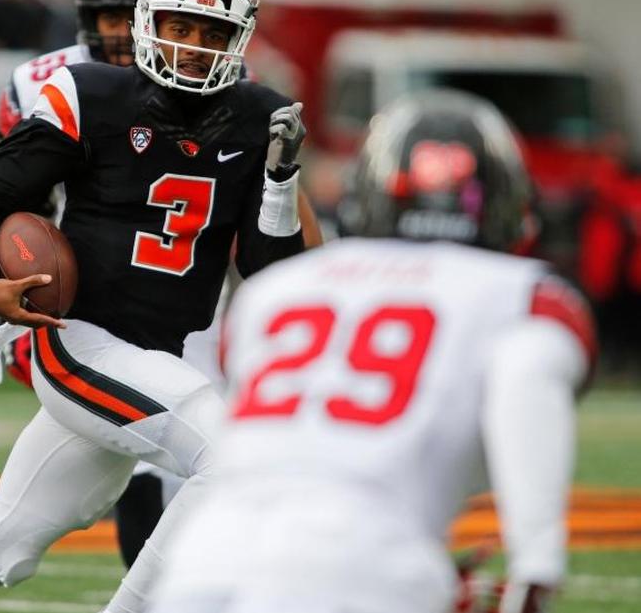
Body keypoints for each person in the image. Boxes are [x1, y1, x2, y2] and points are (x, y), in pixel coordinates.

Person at [0, 0, 305, 612]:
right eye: (179, 27)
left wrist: (279, 184)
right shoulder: (91, 93)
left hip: (156, 356)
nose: (192, 45)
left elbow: (273, 276)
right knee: (231, 458)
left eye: (211, 32)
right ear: (147, 24)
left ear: (239, 38)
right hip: (77, 341)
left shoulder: (257, 118)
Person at [148, 90, 595, 613]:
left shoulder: (280, 290)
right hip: (365, 560)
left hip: (208, 553)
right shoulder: (521, 293)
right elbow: (526, 378)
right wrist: (537, 565)